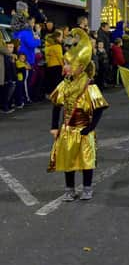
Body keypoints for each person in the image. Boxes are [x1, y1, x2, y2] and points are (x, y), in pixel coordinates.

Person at [48, 28, 108, 202]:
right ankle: (69, 189)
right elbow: (56, 105)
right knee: (68, 161)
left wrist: (90, 128)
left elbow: (99, 109)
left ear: (80, 67)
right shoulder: (64, 85)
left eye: (68, 64)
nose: (65, 67)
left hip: (84, 130)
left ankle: (87, 188)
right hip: (67, 130)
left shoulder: (90, 86)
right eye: (65, 64)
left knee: (86, 160)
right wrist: (54, 126)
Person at [44, 30, 64, 96]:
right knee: (58, 83)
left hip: (49, 67)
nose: (62, 38)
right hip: (57, 67)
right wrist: (63, 67)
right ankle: (57, 97)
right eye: (61, 37)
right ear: (57, 37)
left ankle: (52, 96)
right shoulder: (57, 46)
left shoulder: (47, 46)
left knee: (51, 83)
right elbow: (60, 58)